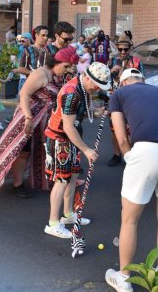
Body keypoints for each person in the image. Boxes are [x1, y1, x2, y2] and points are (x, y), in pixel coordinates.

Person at [105, 68, 158, 292]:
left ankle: (124, 278)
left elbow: (121, 138)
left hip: (146, 151)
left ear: (123, 83)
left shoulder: (118, 95)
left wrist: (129, 156)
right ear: (142, 80)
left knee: (130, 219)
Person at [0, 46, 79, 199]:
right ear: (56, 63)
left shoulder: (59, 75)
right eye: (65, 66)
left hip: (47, 119)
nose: (67, 69)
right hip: (30, 116)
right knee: (22, 151)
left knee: (44, 150)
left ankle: (48, 180)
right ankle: (18, 184)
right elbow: (24, 94)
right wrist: (28, 118)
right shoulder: (40, 74)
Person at [43, 62, 111, 239]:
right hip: (60, 138)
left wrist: (100, 112)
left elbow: (86, 113)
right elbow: (67, 127)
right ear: (87, 77)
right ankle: (53, 223)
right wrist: (87, 150)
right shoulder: (72, 93)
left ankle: (67, 214)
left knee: (72, 176)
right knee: (61, 180)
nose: (97, 89)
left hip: (71, 138)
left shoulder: (84, 87)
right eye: (96, 85)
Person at [107, 33, 144, 166]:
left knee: (131, 129)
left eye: (125, 49)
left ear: (130, 48)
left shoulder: (136, 62)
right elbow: (105, 79)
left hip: (131, 99)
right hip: (115, 98)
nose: (123, 52)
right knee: (114, 129)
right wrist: (111, 71)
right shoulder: (112, 60)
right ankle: (116, 155)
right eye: (120, 49)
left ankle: (130, 155)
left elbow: (141, 79)